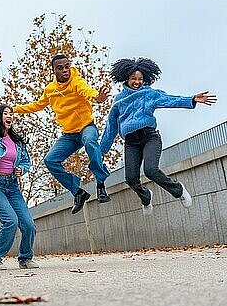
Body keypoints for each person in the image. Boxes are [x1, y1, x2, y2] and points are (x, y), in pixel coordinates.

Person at [100, 57, 217, 215]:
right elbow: (111, 126)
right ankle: (146, 197)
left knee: (151, 170)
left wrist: (191, 99)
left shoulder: (149, 93)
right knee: (131, 179)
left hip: (150, 137)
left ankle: (179, 190)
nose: (137, 82)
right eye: (133, 78)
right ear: (126, 78)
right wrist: (101, 150)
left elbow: (169, 100)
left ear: (145, 79)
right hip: (130, 142)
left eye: (140, 79)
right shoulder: (118, 100)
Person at [13, 54, 111, 214]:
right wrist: (14, 109)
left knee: (90, 142)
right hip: (69, 135)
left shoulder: (76, 81)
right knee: (50, 160)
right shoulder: (50, 90)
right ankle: (78, 192)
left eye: (67, 66)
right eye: (60, 68)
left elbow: (87, 92)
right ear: (53, 71)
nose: (65, 70)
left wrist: (98, 98)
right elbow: (37, 105)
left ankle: (100, 183)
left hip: (86, 127)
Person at [0, 105, 37, 271]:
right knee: (10, 221)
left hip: (12, 186)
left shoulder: (17, 141)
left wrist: (21, 169)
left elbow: (26, 161)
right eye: (5, 113)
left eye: (11, 114)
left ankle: (25, 258)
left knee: (28, 225)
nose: (9, 116)